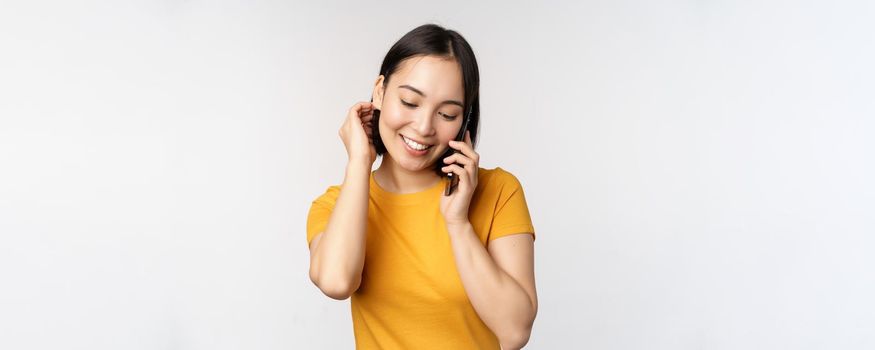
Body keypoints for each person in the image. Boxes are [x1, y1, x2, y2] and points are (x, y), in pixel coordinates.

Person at [306, 23, 537, 350]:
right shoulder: (337, 206)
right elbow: (336, 281)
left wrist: (458, 223)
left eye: (446, 113)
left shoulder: (499, 191)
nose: (425, 126)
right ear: (380, 92)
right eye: (410, 102)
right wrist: (359, 160)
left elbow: (515, 332)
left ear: (464, 120)